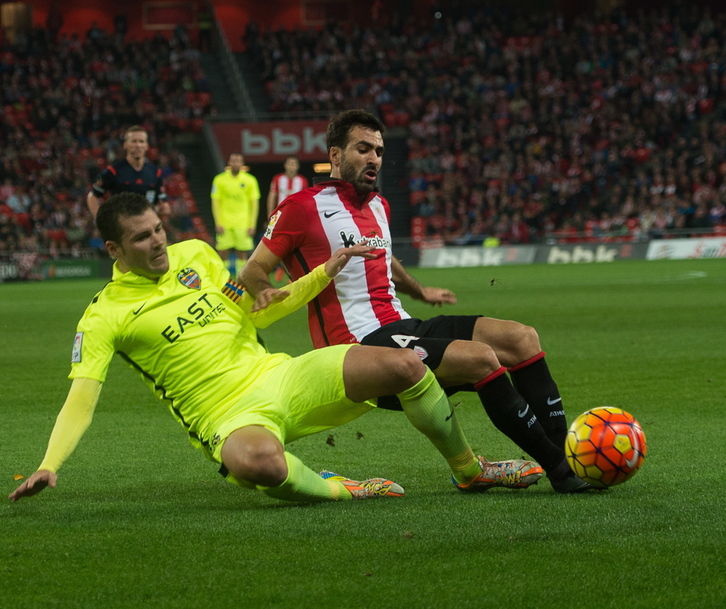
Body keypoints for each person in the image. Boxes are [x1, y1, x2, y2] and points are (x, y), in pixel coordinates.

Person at [9, 192, 540, 506]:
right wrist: (50, 463)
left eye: (158, 230)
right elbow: (82, 395)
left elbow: (252, 306)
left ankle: (470, 470)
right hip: (226, 414)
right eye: (143, 238)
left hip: (280, 375)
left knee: (406, 363)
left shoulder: (197, 254)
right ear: (114, 250)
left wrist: (318, 276)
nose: (158, 243)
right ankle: (340, 488)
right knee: (259, 466)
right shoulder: (104, 315)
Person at [241, 109, 592, 493]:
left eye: (378, 150)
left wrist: (420, 291)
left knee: (521, 338)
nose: (374, 157)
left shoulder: (379, 206)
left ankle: (567, 455)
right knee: (480, 359)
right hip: (357, 346)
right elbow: (253, 269)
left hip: (401, 325)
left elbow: (384, 258)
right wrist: (265, 291)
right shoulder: (301, 207)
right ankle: (561, 471)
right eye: (363, 148)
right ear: (336, 155)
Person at [86, 125, 167, 219]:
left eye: (141, 141)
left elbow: (161, 202)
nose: (138, 145)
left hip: (146, 227)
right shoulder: (113, 171)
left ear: (146, 146)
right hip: (121, 228)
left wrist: (164, 208)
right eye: (134, 141)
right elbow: (92, 196)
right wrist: (100, 221)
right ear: (125, 145)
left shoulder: (156, 172)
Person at [211, 153, 260, 276]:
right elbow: (215, 203)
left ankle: (240, 280)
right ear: (229, 162)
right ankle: (223, 281)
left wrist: (252, 225)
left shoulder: (250, 180)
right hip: (224, 222)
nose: (236, 163)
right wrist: (218, 222)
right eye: (233, 160)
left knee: (242, 253)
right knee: (222, 252)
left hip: (243, 223)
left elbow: (254, 205)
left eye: (238, 161)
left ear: (242, 163)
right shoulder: (219, 179)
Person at [266, 155, 309, 280]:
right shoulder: (278, 179)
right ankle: (278, 268)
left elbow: (305, 200)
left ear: (297, 166)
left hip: (296, 219)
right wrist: (270, 214)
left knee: (296, 246)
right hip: (279, 217)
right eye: (289, 163)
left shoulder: (302, 181)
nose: (291, 166)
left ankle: (292, 273)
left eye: (294, 164)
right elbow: (272, 196)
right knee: (276, 245)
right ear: (285, 165)